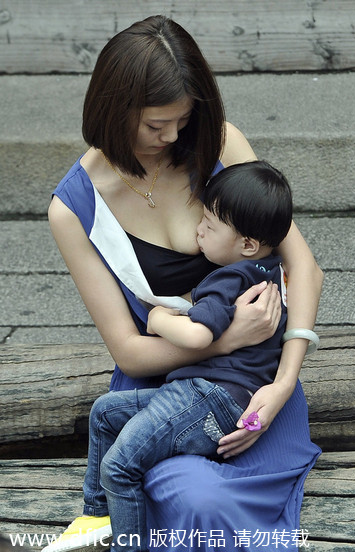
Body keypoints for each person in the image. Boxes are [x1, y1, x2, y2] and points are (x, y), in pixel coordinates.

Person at [47, 15, 323, 552]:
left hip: (252, 384)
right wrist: (227, 337)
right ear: (112, 110)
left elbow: (303, 267)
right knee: (193, 499)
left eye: (181, 119)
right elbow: (129, 352)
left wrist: (283, 383)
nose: (173, 136)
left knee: (217, 499)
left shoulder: (218, 145)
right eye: (155, 125)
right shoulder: (75, 207)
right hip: (163, 384)